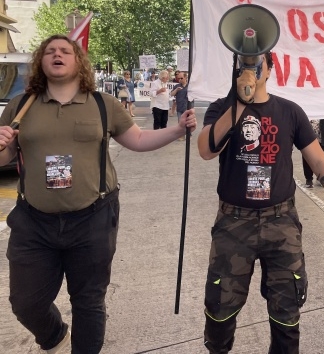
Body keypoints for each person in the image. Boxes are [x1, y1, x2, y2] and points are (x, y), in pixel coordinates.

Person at [0, 35, 197, 354]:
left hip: (92, 219)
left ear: (78, 61)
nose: (57, 55)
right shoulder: (20, 106)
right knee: (25, 302)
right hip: (33, 222)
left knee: (89, 302)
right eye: (50, 51)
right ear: (41, 62)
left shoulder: (103, 104)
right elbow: (5, 157)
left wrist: (177, 129)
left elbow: (138, 139)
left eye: (65, 51)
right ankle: (54, 336)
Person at [197, 52, 324, 353]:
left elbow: (319, 162)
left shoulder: (289, 111)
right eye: (243, 63)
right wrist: (239, 103)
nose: (250, 68)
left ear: (270, 70)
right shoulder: (221, 108)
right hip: (233, 225)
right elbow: (206, 150)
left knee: (287, 314)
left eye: (256, 62)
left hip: (281, 222)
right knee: (220, 311)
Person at [301, 119, 324, 188]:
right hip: (308, 133)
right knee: (307, 157)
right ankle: (309, 180)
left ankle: (321, 178)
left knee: (322, 159)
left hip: (321, 134)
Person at [171, 72, 189, 140]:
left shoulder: (190, 86)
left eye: (181, 78)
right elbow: (172, 94)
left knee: (188, 122)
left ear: (186, 78)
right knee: (180, 122)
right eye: (179, 78)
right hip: (180, 107)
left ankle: (188, 134)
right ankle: (181, 135)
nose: (180, 80)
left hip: (188, 107)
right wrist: (176, 90)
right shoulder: (177, 86)